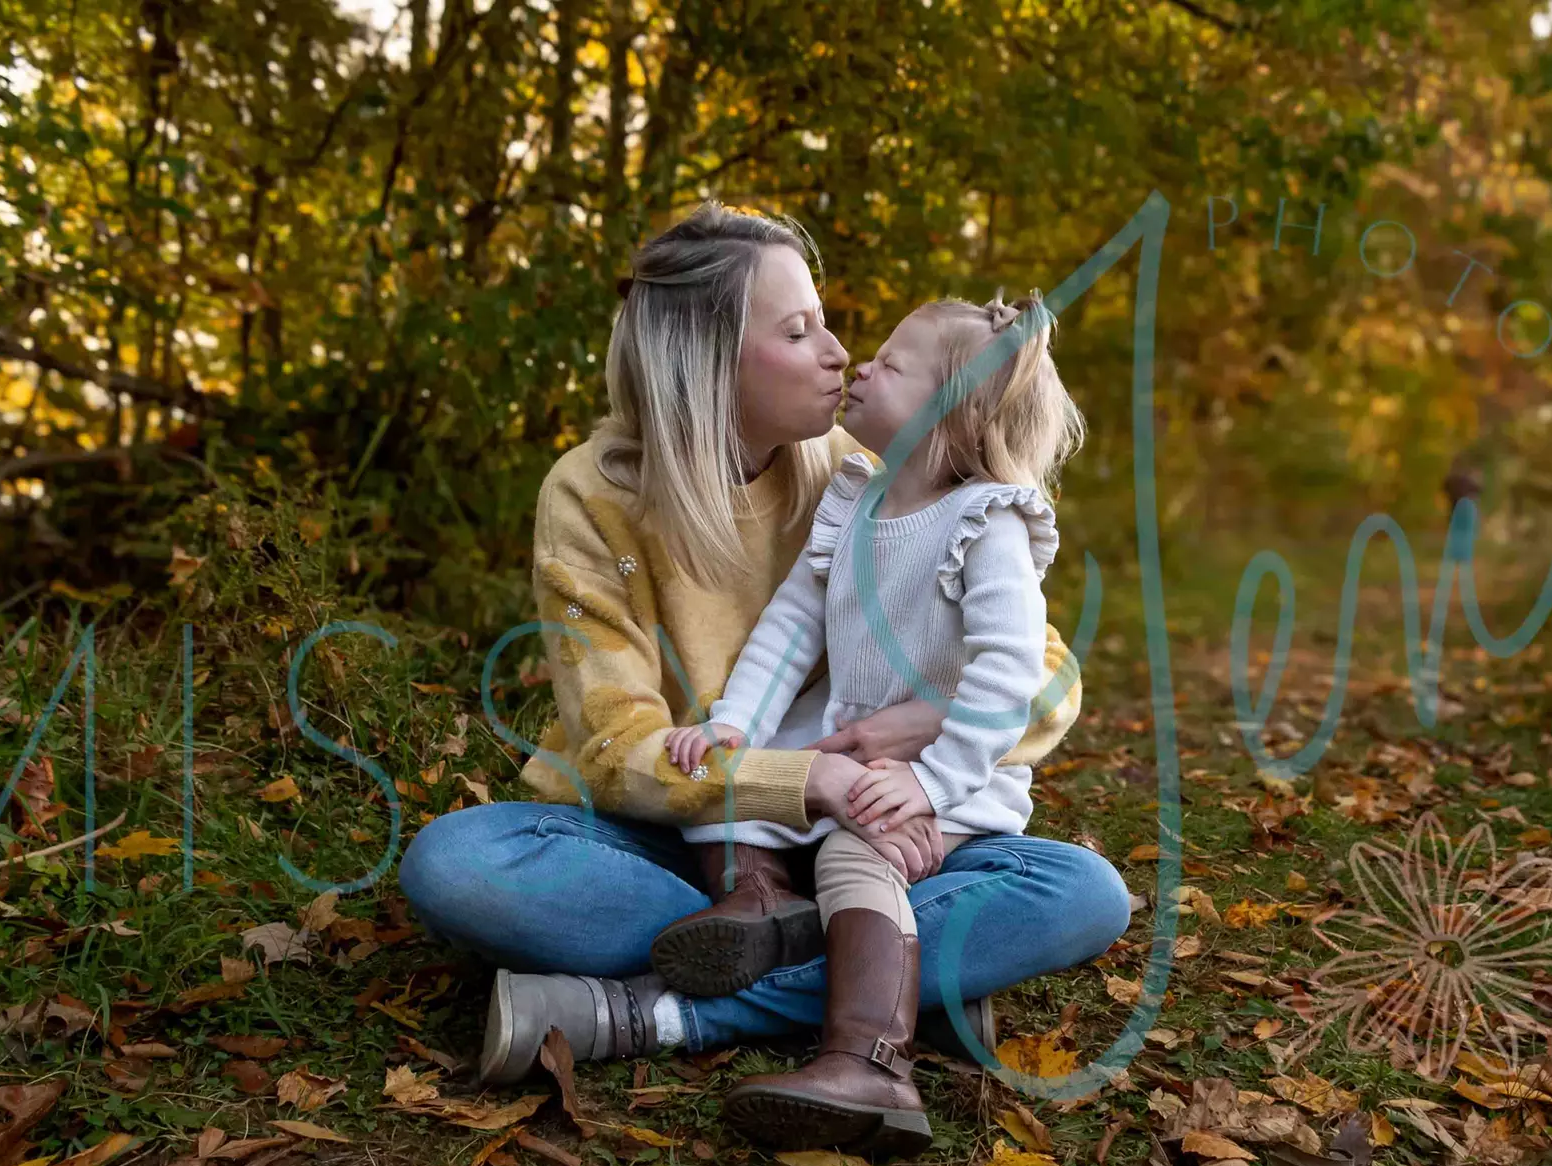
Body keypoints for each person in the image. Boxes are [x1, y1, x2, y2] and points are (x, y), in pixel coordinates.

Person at [394, 201, 1131, 1090]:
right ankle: (894, 973)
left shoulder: (858, 472)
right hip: (676, 832)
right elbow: (616, 746)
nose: (837, 351)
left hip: (867, 823)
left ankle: (664, 1010)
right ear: (708, 363)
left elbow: (1044, 673)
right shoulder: (592, 498)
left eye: (824, 322)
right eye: (798, 330)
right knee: (458, 865)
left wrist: (921, 726)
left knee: (1084, 892)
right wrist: (797, 779)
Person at [664, 287, 1095, 1155]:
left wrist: (929, 784)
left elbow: (1009, 675)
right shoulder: (854, 499)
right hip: (843, 745)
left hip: (948, 775)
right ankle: (760, 906)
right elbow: (789, 626)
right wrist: (736, 723)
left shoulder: (987, 523)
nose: (862, 364)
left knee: (859, 849)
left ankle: (869, 1061)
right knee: (740, 792)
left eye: (892, 364)